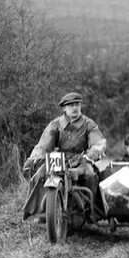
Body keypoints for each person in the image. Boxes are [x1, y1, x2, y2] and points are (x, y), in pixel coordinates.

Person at [22, 92, 106, 220]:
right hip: (59, 158)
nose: (74, 108)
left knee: (91, 175)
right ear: (64, 108)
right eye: (71, 105)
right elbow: (44, 144)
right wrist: (34, 159)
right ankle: (40, 210)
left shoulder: (88, 124)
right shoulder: (55, 124)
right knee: (39, 175)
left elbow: (99, 142)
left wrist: (91, 155)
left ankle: (87, 210)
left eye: (77, 104)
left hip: (81, 158)